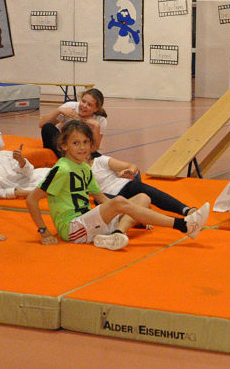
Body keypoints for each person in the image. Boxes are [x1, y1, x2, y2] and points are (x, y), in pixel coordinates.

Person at [27, 121, 209, 251]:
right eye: (76, 143)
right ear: (64, 146)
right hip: (72, 229)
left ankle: (116, 233)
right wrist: (44, 232)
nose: (82, 148)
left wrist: (134, 212)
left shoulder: (84, 168)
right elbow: (32, 200)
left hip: (89, 222)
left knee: (143, 198)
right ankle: (182, 225)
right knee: (120, 201)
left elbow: (101, 198)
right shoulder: (62, 169)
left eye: (85, 142)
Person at [91, 154, 200, 217]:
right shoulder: (81, 170)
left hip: (125, 186)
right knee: (100, 202)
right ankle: (140, 215)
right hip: (108, 197)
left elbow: (132, 166)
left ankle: (185, 210)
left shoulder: (100, 161)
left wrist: (130, 171)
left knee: (143, 188)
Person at [39, 88, 108, 158]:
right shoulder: (71, 107)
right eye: (83, 101)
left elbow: (94, 148)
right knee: (48, 127)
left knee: (100, 158)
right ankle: (71, 158)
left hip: (81, 149)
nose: (84, 106)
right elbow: (42, 124)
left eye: (89, 105)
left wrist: (96, 126)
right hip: (63, 146)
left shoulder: (100, 120)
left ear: (96, 109)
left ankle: (71, 158)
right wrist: (59, 111)